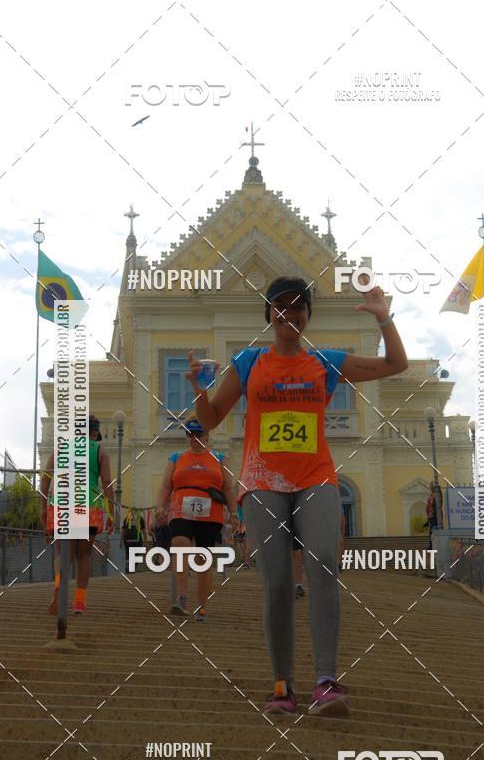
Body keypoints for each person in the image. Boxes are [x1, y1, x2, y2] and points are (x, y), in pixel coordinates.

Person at [188, 275, 408, 716]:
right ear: (268, 315)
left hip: (316, 477)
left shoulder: (325, 362)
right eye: (281, 305)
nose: (290, 313)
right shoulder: (249, 362)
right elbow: (210, 419)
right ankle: (281, 687)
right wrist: (198, 389)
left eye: (299, 305)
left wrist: (385, 318)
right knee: (278, 584)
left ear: (309, 315)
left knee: (324, 561)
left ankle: (326, 681)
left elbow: (395, 365)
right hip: (263, 481)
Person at [153, 417, 239, 622]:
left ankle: (202, 607)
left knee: (202, 557)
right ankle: (182, 597)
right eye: (190, 434)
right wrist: (159, 506)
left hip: (211, 511)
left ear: (207, 435)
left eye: (198, 434)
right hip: (181, 506)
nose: (194, 438)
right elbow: (166, 485)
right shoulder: (176, 458)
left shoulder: (219, 458)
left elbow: (227, 487)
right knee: (179, 543)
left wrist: (234, 513)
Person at [40, 414, 115, 615]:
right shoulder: (100, 450)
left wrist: (42, 505)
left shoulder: (62, 448)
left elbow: (46, 478)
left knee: (61, 553)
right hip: (88, 505)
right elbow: (107, 484)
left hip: (62, 503)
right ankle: (79, 603)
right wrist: (112, 512)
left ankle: (58, 590)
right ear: (95, 432)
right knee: (83, 554)